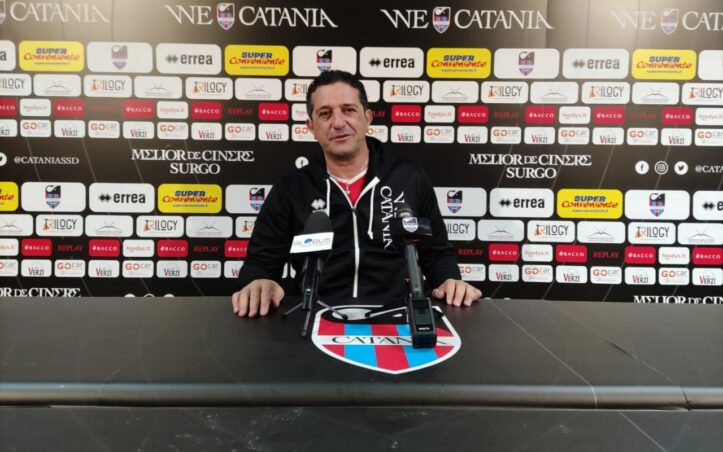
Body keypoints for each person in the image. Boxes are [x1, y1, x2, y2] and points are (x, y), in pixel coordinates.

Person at [232, 70, 481, 317]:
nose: (338, 123)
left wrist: (449, 282)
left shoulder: (410, 178)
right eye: (325, 113)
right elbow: (260, 262)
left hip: (396, 317)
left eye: (349, 110)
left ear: (367, 118)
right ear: (311, 127)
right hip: (314, 318)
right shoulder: (291, 188)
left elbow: (436, 254)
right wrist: (258, 281)